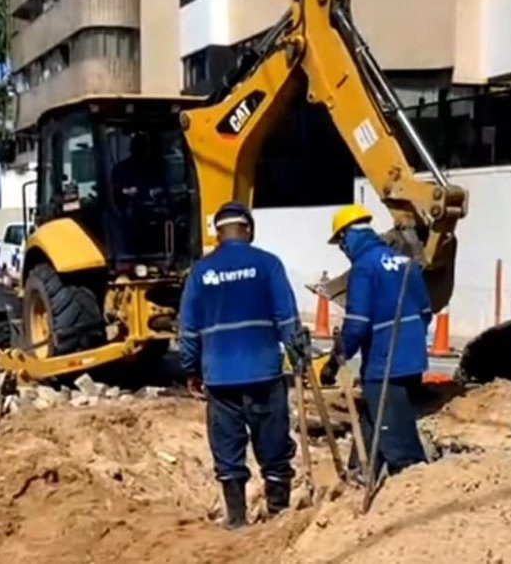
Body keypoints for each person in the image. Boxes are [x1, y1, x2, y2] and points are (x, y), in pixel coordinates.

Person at [178, 201, 300, 529]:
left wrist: (191, 369)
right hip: (264, 372)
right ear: (248, 229)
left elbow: (188, 330)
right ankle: (279, 517)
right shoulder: (268, 265)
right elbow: (288, 318)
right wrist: (299, 358)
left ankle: (236, 520)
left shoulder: (201, 272)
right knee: (273, 445)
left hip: (219, 377)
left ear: (218, 234)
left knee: (228, 450)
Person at [330, 203, 430, 478]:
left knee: (398, 439)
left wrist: (336, 359)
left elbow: (358, 324)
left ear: (346, 238)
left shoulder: (364, 267)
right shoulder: (406, 261)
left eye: (341, 244)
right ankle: (361, 472)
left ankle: (411, 482)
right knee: (376, 417)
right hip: (413, 359)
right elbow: (425, 310)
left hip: (385, 362)